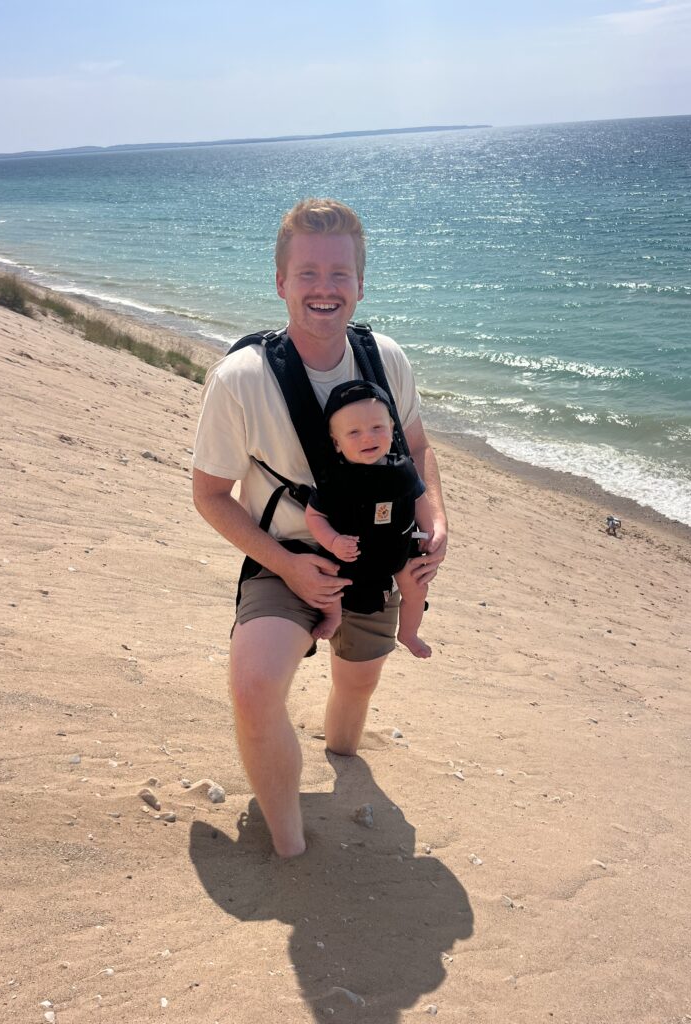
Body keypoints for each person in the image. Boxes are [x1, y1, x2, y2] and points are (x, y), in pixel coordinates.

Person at [192, 198, 447, 857]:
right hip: (286, 554)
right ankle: (289, 845)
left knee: (358, 679)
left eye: (339, 274)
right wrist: (287, 564)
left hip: (377, 550)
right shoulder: (240, 380)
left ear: (360, 284)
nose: (324, 289)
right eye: (307, 273)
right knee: (254, 689)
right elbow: (211, 496)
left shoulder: (385, 358)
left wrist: (437, 521)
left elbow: (417, 448)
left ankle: (342, 752)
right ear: (280, 282)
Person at [304, 380, 433, 658]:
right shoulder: (334, 480)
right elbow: (314, 516)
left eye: (378, 428)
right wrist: (334, 541)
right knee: (329, 584)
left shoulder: (402, 470)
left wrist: (430, 531)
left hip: (396, 552)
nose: (368, 437)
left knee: (417, 587)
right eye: (354, 432)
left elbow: (419, 498)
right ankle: (333, 618)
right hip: (348, 556)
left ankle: (408, 632)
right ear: (336, 443)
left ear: (392, 430)